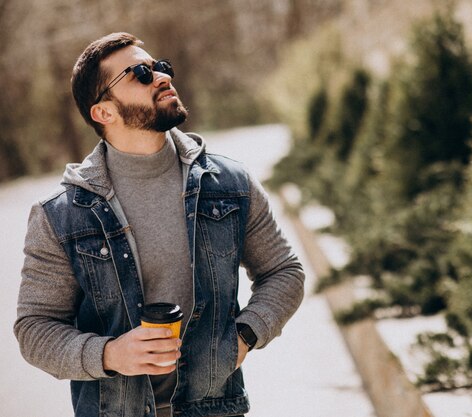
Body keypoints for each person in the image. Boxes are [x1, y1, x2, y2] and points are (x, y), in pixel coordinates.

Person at [13, 32, 305, 417]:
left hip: (216, 408)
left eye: (159, 66)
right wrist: (109, 354)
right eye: (140, 73)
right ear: (104, 112)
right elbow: (35, 328)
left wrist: (244, 337)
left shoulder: (230, 184)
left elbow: (284, 271)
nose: (161, 76)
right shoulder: (60, 214)